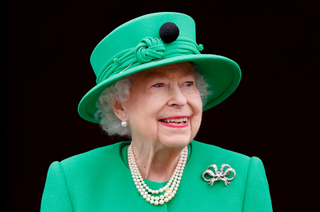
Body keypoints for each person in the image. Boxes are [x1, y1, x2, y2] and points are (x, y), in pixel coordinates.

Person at [41, 12, 272, 211]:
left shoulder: (243, 175)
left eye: (188, 84)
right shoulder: (71, 181)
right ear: (120, 106)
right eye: (158, 85)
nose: (180, 100)